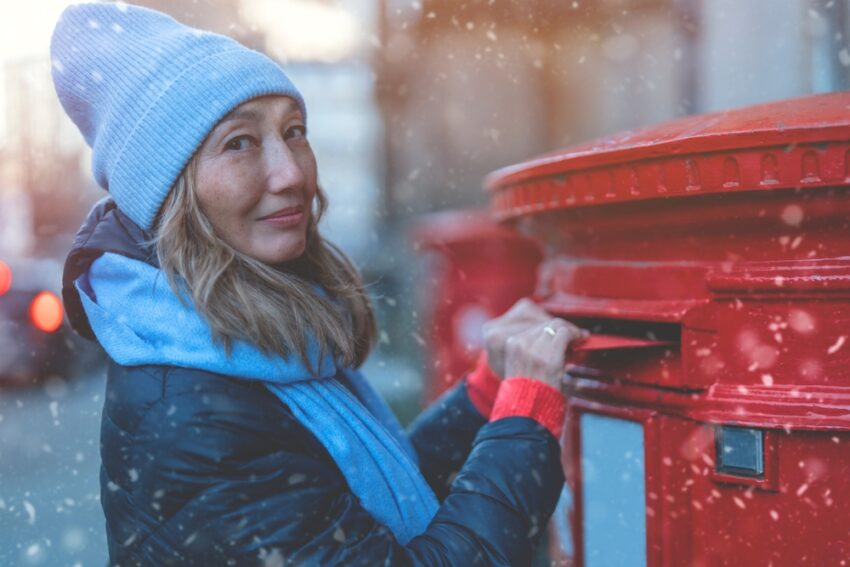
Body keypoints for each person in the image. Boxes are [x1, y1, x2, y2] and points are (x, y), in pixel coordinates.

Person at [51, 4, 585, 566]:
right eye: (240, 143)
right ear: (172, 193)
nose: (292, 173)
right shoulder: (192, 413)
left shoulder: (239, 336)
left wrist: (486, 393)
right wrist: (526, 417)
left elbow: (362, 509)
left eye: (293, 131)